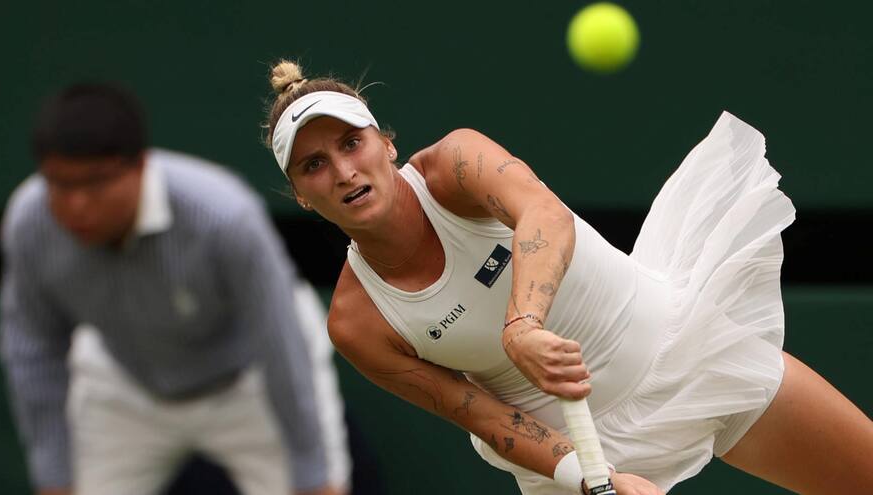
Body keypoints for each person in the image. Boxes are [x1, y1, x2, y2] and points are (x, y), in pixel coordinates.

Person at [260, 60, 873, 495]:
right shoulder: (356, 320)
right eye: (315, 165)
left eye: (351, 142)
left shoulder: (454, 166)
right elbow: (477, 412)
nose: (343, 170)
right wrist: (592, 478)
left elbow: (545, 214)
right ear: (302, 197)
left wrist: (521, 324)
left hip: (686, 344)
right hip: (578, 453)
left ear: (386, 144)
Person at [0, 83, 351, 495]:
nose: (76, 204)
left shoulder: (222, 216)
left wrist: (311, 472)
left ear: (139, 167)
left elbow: (280, 343)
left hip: (252, 379)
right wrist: (55, 477)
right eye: (59, 185)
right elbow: (33, 349)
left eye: (94, 184)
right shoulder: (30, 223)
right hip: (122, 383)